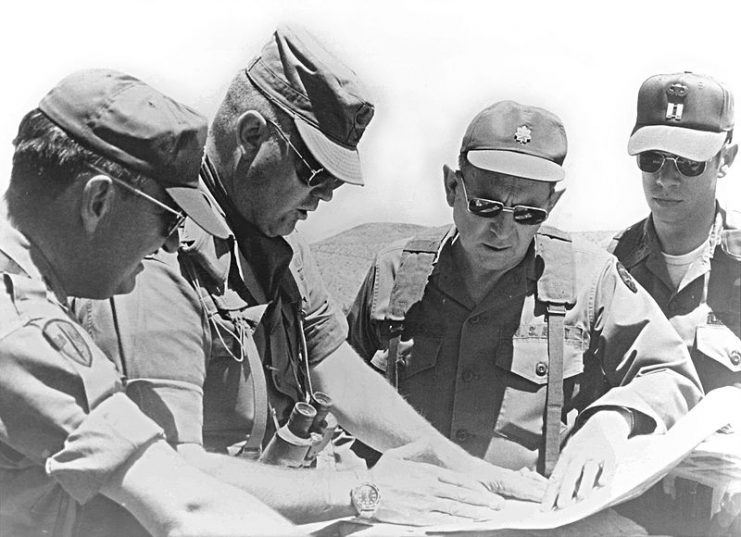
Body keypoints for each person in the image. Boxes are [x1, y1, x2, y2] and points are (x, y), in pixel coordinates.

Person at [72, 27, 539, 527]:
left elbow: (338, 371)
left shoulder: (281, 250)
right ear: (251, 136)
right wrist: (362, 492)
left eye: (336, 181)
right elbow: (171, 472)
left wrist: (464, 469)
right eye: (316, 174)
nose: (327, 197)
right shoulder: (153, 255)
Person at [346, 100, 704, 513]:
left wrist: (608, 424)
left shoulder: (591, 278)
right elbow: (332, 396)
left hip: (530, 519)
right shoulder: (393, 274)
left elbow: (670, 373)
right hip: (404, 519)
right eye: (486, 205)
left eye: (528, 213)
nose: (503, 229)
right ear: (451, 187)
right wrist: (361, 485)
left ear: (552, 206)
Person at [0, 69, 298, 537]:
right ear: (97, 202)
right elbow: (186, 508)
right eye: (170, 217)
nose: (174, 244)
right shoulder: (26, 331)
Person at [610, 71, 741, 536]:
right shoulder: (607, 268)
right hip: (624, 516)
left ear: (725, 159)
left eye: (688, 162)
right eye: (652, 159)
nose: (665, 178)